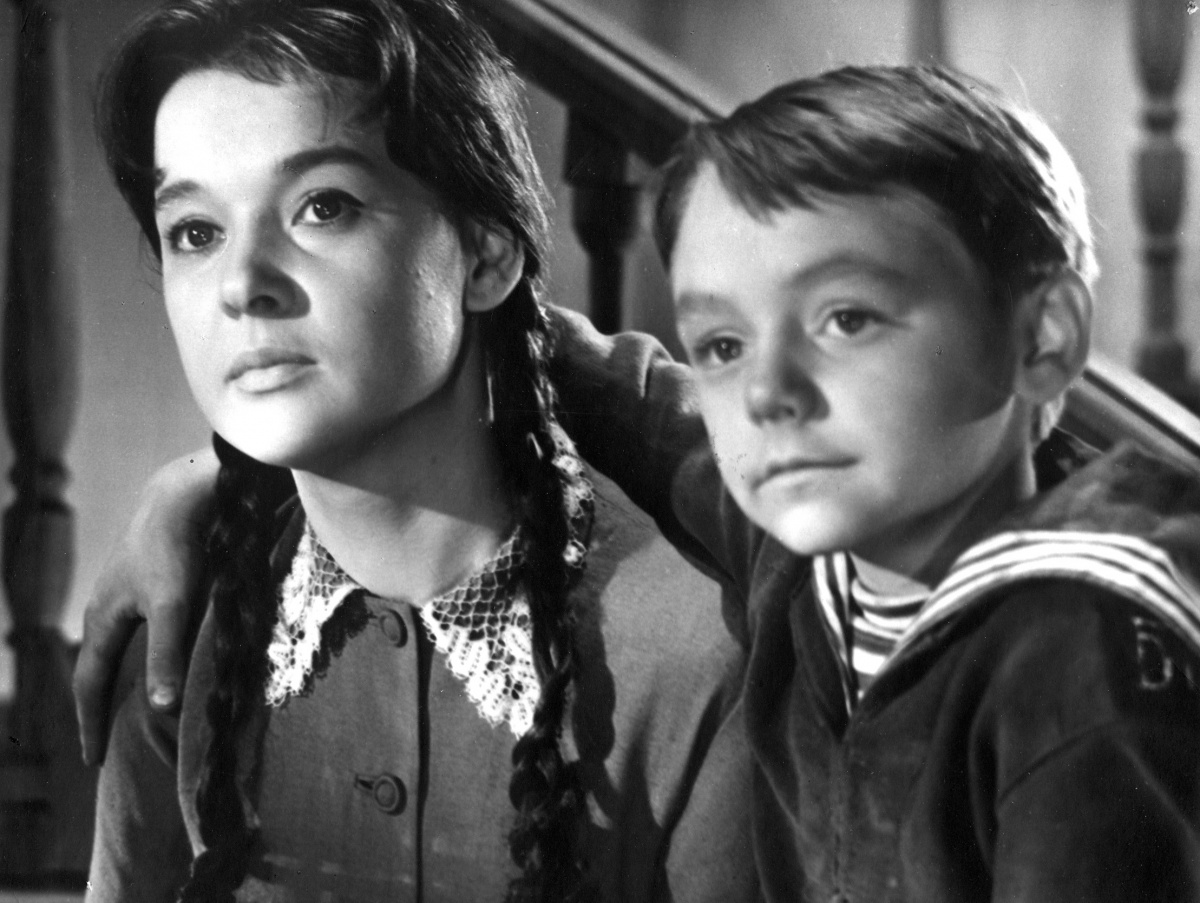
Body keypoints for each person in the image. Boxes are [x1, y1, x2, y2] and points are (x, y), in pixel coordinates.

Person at [78, 62, 1200, 901]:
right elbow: (577, 371)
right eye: (723, 344)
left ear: (1045, 338)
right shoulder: (788, 527)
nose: (769, 393)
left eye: (849, 319)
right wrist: (233, 455)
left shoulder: (1085, 671)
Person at [82, 1, 756, 901]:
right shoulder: (181, 632)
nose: (240, 285)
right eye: (196, 232)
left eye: (322, 206)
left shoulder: (690, 660)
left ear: (486, 254)